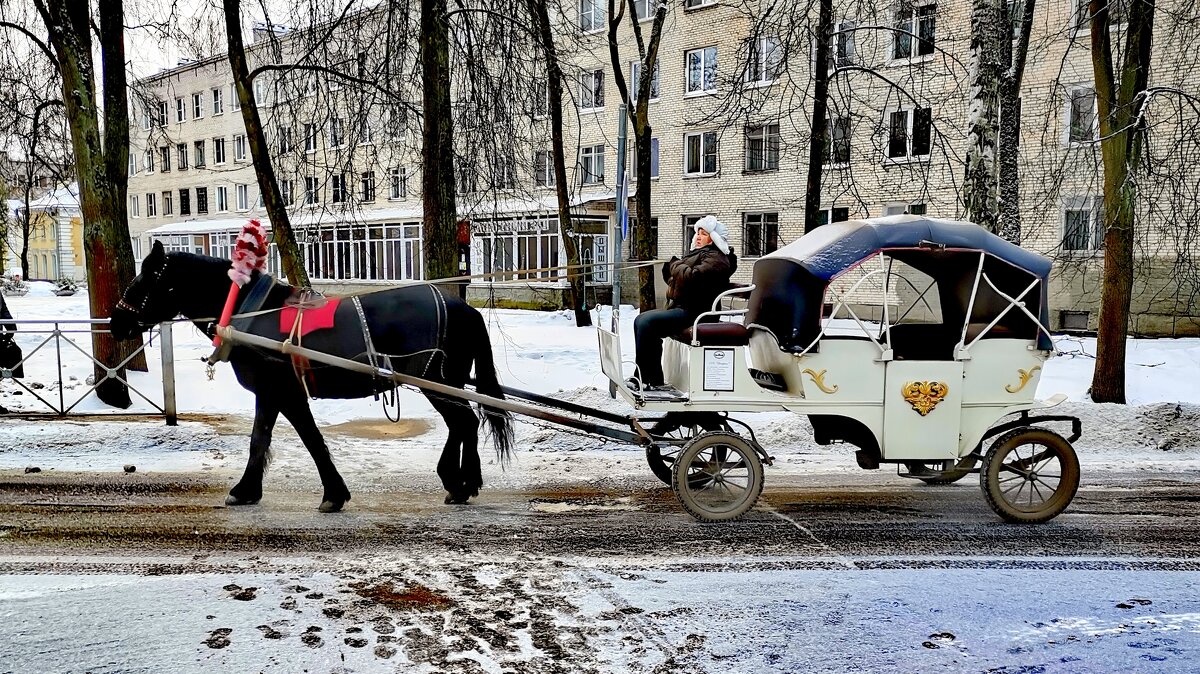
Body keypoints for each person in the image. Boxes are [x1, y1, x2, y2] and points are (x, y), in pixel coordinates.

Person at [630, 215, 736, 391]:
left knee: (646, 322)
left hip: (698, 313)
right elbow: (679, 278)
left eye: (704, 233)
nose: (698, 236)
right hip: (685, 309)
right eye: (698, 233)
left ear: (714, 237)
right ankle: (648, 376)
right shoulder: (700, 254)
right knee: (642, 320)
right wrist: (671, 268)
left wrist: (676, 266)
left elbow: (694, 277)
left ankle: (647, 378)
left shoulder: (718, 259)